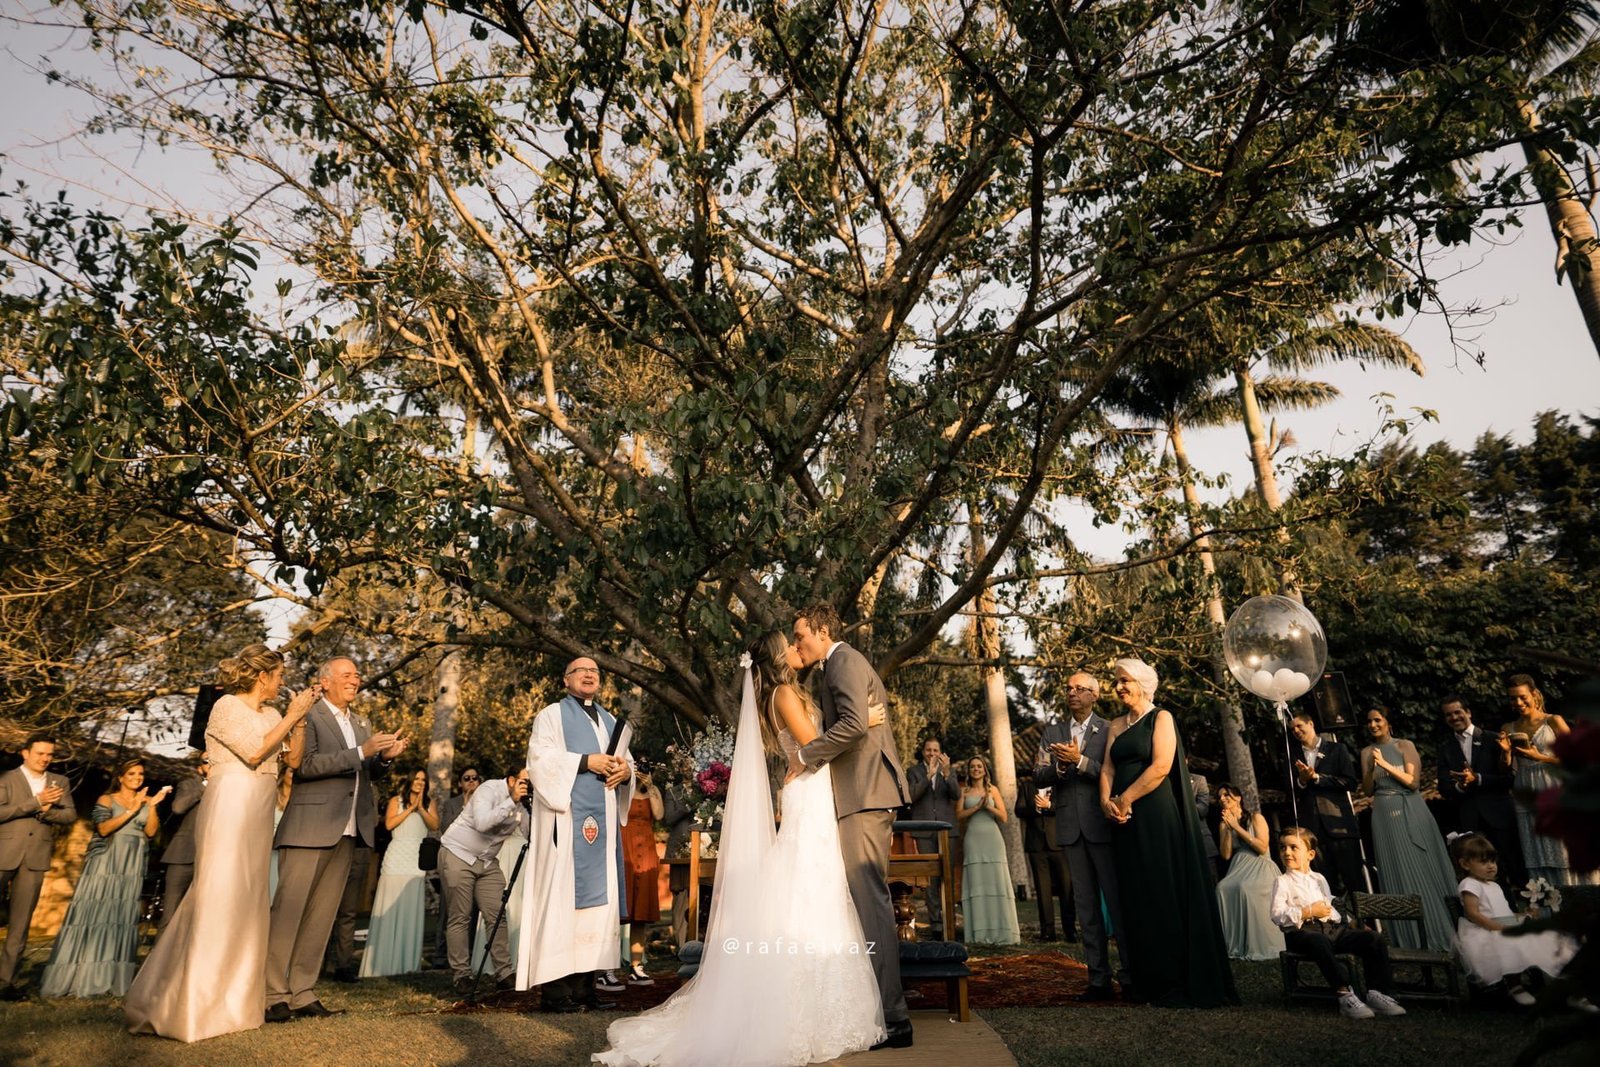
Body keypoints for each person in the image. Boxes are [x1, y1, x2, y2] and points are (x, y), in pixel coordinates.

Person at [594, 632, 885, 1066]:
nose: (795, 648)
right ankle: (801, 1008)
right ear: (776, 657)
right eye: (789, 644)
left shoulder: (784, 692)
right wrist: (864, 721)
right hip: (809, 790)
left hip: (811, 790)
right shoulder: (784, 692)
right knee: (809, 888)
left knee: (813, 887)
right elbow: (813, 749)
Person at [124, 644, 318, 1042]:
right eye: (279, 676)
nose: (282, 683)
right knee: (219, 896)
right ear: (262, 676)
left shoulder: (273, 713)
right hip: (230, 806)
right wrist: (293, 715)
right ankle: (193, 1004)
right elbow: (254, 750)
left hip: (260, 810)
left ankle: (236, 1004)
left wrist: (299, 722)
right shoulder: (226, 706)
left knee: (248, 902)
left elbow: (292, 762)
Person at [791, 603, 913, 1049]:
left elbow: (855, 724)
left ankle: (894, 1018)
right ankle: (880, 1009)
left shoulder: (843, 660)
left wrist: (805, 755)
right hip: (859, 795)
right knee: (864, 903)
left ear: (822, 630)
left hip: (865, 794)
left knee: (871, 903)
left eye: (800, 633)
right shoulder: (836, 664)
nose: (796, 641)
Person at [266, 656, 406, 1022]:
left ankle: (303, 992)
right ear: (324, 681)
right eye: (347, 674)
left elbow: (368, 771)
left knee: (321, 917)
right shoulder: (309, 715)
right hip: (310, 826)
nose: (355, 680)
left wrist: (385, 759)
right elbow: (305, 765)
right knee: (288, 914)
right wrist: (363, 752)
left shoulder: (361, 722)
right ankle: (271, 994)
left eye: (357, 675)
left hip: (349, 829)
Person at [1100, 657, 1237, 1007]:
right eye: (1116, 681)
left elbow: (1161, 765)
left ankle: (1175, 979)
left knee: (1162, 889)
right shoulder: (1115, 724)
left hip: (1155, 814)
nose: (1118, 687)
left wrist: (1127, 798)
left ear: (1143, 682)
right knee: (1136, 894)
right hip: (1122, 818)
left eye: (1124, 680)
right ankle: (1146, 980)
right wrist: (1107, 801)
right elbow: (1107, 768)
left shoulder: (1161, 718)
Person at [516, 656, 634, 1012]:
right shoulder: (551, 715)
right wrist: (585, 762)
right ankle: (555, 994)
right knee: (561, 904)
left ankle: (586, 991)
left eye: (595, 671)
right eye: (581, 670)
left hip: (602, 828)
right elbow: (540, 761)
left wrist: (625, 771)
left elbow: (627, 761)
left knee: (597, 910)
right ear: (565, 679)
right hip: (566, 828)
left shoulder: (611, 720)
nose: (589, 675)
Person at [40, 759, 169, 997]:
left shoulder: (146, 802)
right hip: (107, 862)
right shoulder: (106, 799)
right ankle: (84, 977)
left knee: (120, 916)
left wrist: (151, 806)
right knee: (97, 914)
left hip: (132, 863)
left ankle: (111, 978)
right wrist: (134, 808)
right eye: (131, 773)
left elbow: (151, 832)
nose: (137, 777)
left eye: (140, 774)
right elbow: (104, 829)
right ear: (121, 777)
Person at [1035, 670, 1128, 1000]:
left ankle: (1129, 977)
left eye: (1080, 689)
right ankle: (1098, 981)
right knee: (1086, 907)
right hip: (1071, 829)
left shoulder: (1110, 729)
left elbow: (1114, 774)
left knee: (1117, 904)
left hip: (1103, 825)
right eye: (1069, 688)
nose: (1072, 693)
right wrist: (1060, 768)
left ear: (1095, 695)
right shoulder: (1053, 731)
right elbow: (1038, 773)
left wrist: (1081, 761)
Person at [1271, 826, 1407, 1020]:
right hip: (1303, 933)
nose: (1287, 852)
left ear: (1310, 854)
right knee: (1319, 942)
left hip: (1332, 929)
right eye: (1283, 847)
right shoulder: (1282, 881)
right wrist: (1307, 911)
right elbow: (1277, 914)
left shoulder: (1318, 878)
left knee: (1373, 939)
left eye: (1293, 847)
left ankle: (1377, 993)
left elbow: (1330, 902)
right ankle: (1345, 994)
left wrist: (1350, 922)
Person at [1360, 705, 1458, 952]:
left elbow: (1413, 783)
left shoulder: (1405, 746)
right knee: (1394, 865)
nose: (1373, 725)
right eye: (1369, 722)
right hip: (1382, 814)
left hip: (1410, 808)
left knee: (1421, 863)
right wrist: (1372, 768)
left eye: (1377, 720)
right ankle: (1407, 936)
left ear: (1387, 721)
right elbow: (1369, 790)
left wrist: (1385, 764)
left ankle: (1438, 928)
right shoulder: (1365, 752)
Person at [1449, 832, 1582, 1007]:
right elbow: (1473, 913)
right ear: (1465, 864)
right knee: (1509, 943)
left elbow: (1505, 913)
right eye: (1483, 862)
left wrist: (1523, 915)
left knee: (1546, 939)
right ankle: (1515, 985)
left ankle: (1571, 988)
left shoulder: (1494, 885)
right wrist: (1496, 927)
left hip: (1504, 924)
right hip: (1485, 929)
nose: (1491, 866)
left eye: (1492, 861)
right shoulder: (1469, 884)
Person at [439, 766, 531, 995]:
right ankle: (462, 975)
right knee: (460, 916)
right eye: (525, 781)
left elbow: (531, 833)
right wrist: (511, 801)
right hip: (458, 853)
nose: (529, 786)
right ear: (511, 780)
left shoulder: (524, 802)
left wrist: (532, 807)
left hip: (488, 861)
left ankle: (504, 974)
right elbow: (482, 823)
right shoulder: (489, 789)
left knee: (497, 914)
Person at [1, 735, 78, 1000]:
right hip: (3, 854)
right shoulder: (6, 779)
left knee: (20, 925)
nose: (45, 758)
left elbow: (69, 815)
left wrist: (46, 812)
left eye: (49, 755)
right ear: (25, 753)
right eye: (40, 753)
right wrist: (36, 802)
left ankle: (5, 982)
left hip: (35, 859)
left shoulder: (61, 782)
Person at [1503, 675, 1596, 886]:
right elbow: (1505, 769)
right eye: (1512, 699)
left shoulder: (1553, 720)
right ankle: (1550, 907)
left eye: (1522, 697)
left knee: (1563, 851)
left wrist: (1541, 757)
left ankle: (1582, 900)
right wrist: (1505, 754)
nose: (1517, 703)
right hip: (1526, 791)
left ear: (1534, 695)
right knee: (1537, 853)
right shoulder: (1508, 727)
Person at [1436, 697, 1525, 888]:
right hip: (1470, 821)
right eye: (1448, 715)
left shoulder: (1493, 739)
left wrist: (1478, 778)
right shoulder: (1445, 749)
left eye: (1457, 712)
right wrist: (1461, 786)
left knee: (1516, 868)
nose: (1454, 717)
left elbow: (1510, 778)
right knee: (1486, 879)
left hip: (1500, 815)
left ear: (1468, 712)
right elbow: (1444, 787)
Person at [360, 769, 439, 978]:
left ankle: (406, 963)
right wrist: (410, 808)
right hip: (396, 858)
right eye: (417, 778)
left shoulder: (430, 803)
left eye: (424, 780)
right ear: (410, 780)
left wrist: (421, 808)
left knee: (410, 907)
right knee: (389, 905)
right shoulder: (397, 800)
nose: (420, 782)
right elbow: (389, 824)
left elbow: (435, 825)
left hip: (416, 860)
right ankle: (381, 962)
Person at [1288, 711, 1367, 895]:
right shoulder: (1292, 756)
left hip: (1340, 826)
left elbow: (1350, 782)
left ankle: (1368, 922)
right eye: (1292, 729)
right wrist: (1302, 780)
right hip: (1313, 830)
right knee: (1324, 884)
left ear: (1311, 723)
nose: (1297, 731)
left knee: (1354, 880)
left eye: (1300, 726)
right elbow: (1289, 789)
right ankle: (1336, 922)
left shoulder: (1336, 749)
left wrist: (1317, 778)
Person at [1214, 783, 1284, 961]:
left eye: (1226, 795)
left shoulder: (1255, 818)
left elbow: (1262, 847)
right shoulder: (1224, 825)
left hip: (1260, 865)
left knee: (1246, 888)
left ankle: (1258, 943)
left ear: (1237, 798)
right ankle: (1233, 944)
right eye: (1220, 797)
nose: (1222, 799)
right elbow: (1226, 854)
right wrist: (1228, 829)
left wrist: (1237, 826)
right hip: (1239, 866)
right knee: (1222, 887)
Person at [611, 761, 664, 989]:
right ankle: (608, 968)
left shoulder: (653, 790)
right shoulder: (622, 790)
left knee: (641, 913)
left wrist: (650, 786)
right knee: (617, 912)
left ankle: (636, 966)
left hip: (646, 853)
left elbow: (660, 815)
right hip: (624, 851)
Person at [958, 755, 1020, 945]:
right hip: (973, 839)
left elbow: (1003, 817)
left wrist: (988, 807)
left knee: (995, 882)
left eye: (979, 766)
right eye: (972, 767)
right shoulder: (964, 791)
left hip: (992, 839)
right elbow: (959, 816)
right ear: (969, 771)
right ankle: (978, 933)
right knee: (977, 882)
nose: (976, 769)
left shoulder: (993, 790)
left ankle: (1001, 932)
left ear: (985, 770)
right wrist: (977, 807)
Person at [905, 737, 960, 939]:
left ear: (940, 752)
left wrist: (947, 774)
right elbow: (910, 796)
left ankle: (949, 925)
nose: (932, 753)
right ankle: (936, 926)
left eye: (935, 750)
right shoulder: (914, 772)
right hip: (924, 831)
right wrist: (927, 777)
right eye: (928, 750)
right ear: (923, 752)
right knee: (930, 880)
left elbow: (955, 794)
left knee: (947, 877)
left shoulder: (949, 770)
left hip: (947, 831)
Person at [431, 767, 481, 969]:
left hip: (475, 862)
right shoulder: (452, 804)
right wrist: (466, 806)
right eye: (466, 778)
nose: (471, 781)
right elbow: (446, 829)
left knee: (472, 912)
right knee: (447, 911)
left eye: (475, 778)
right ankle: (440, 957)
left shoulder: (486, 805)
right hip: (453, 862)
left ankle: (466, 955)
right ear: (460, 783)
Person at [1016, 771, 1074, 942]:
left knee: (1067, 888)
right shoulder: (1027, 786)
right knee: (1042, 890)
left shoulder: (1061, 785)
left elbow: (1066, 808)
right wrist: (1035, 807)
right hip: (1036, 845)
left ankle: (1070, 930)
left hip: (1059, 843)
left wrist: (1049, 806)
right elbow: (1018, 810)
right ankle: (1047, 931)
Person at [157, 755, 208, 932]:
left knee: (198, 916)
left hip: (210, 858)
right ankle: (160, 959)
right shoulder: (190, 783)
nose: (210, 764)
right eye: (206, 761)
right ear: (198, 767)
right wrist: (204, 787)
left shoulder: (225, 786)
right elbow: (178, 807)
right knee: (170, 914)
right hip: (182, 855)